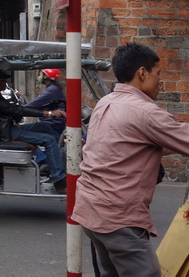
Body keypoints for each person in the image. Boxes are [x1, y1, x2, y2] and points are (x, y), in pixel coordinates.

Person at [73, 43, 189, 277]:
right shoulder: (144, 112)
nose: (160, 81)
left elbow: (132, 144)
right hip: (118, 218)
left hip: (90, 209)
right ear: (143, 73)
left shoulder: (106, 102)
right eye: (158, 73)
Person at [0, 68, 67, 193]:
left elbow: (11, 111)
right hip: (5, 133)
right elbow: (17, 110)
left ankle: (56, 159)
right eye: (2, 81)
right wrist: (49, 113)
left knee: (43, 127)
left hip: (9, 127)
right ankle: (59, 179)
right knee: (49, 140)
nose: (4, 83)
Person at [25, 69, 66, 135]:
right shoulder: (53, 88)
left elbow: (34, 104)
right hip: (53, 122)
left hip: (52, 123)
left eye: (40, 74)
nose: (39, 76)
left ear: (45, 76)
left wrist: (19, 109)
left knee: (24, 129)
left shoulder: (51, 90)